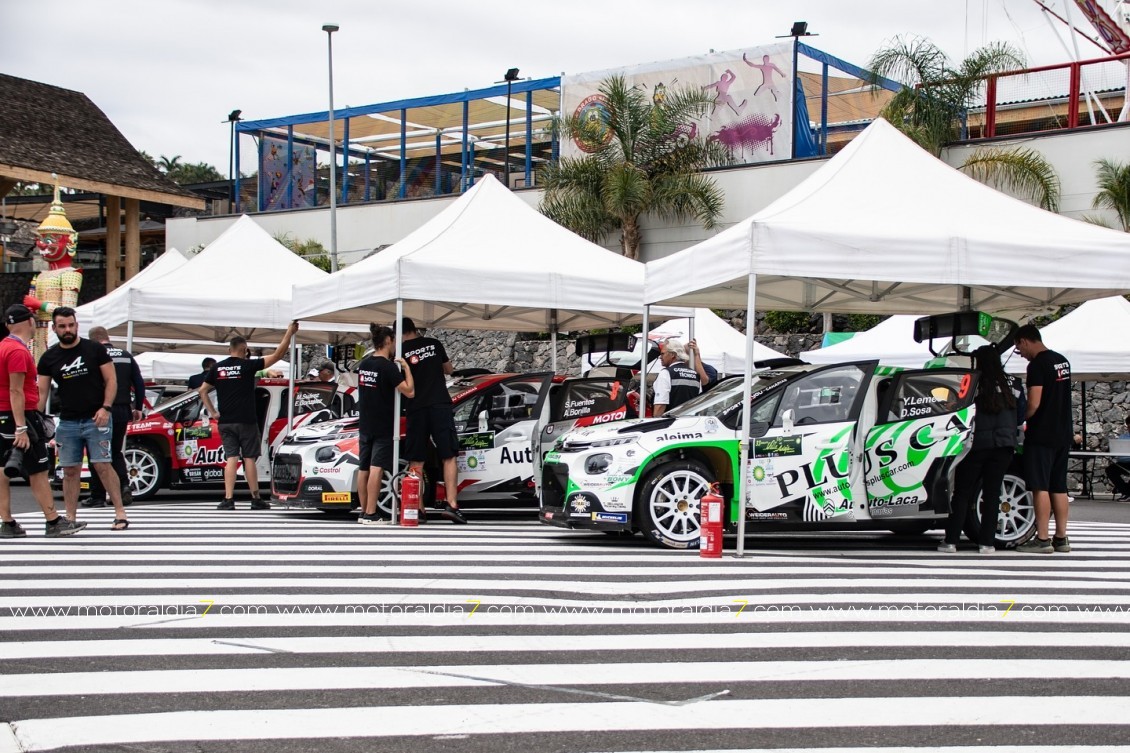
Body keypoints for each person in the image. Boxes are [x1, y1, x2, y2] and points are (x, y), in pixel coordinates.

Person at [36, 307, 128, 530]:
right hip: (67, 422)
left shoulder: (94, 349)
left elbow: (112, 381)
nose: (67, 330)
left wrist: (106, 408)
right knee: (69, 470)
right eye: (62, 326)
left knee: (103, 465)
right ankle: (70, 517)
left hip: (97, 417)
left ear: (76, 325)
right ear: (55, 328)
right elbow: (42, 392)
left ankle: (120, 512)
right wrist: (35, 420)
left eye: (71, 325)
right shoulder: (49, 357)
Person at [0, 304, 85, 538]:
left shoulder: (2, 347)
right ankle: (53, 521)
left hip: (3, 415)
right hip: (20, 415)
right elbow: (16, 391)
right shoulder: (17, 351)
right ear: (30, 322)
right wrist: (21, 427)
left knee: (2, 470)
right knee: (37, 470)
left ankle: (7, 522)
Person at [200, 322, 298, 510]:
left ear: (230, 349)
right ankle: (255, 498)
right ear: (245, 350)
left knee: (231, 458)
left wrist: (213, 412)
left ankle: (228, 499)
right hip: (246, 420)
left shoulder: (217, 369)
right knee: (249, 458)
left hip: (225, 421)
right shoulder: (248, 366)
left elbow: (203, 391)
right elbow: (278, 355)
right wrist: (289, 332)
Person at [938, 345, 1017, 554]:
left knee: (962, 492)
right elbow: (1022, 413)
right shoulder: (1014, 383)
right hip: (1004, 444)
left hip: (977, 444)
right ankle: (987, 543)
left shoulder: (971, 381)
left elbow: (957, 409)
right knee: (992, 494)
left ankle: (951, 541)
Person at [1014, 324, 1073, 553]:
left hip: (1042, 433)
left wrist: (1021, 418)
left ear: (1025, 341)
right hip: (1063, 432)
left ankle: (1042, 539)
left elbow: (1034, 403)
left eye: (1019, 348)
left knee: (1040, 486)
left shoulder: (1037, 365)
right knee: (1059, 486)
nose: (1021, 353)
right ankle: (1061, 538)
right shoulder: (1062, 361)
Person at [400, 317, 466, 523]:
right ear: (414, 329)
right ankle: (452, 504)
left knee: (416, 459)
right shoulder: (434, 343)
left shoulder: (400, 353)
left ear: (399, 334)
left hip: (415, 407)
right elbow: (449, 369)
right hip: (439, 404)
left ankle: (418, 508)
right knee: (448, 454)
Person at [356, 324, 414, 524]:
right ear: (388, 341)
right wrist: (406, 368)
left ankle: (363, 511)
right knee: (376, 468)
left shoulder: (364, 364)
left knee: (363, 468)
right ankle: (372, 513)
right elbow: (409, 391)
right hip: (383, 423)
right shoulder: (388, 367)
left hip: (365, 423)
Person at [83, 326, 144, 509]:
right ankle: (124, 486)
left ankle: (98, 495)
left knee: (97, 453)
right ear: (107, 337)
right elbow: (139, 382)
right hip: (122, 410)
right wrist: (138, 407)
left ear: (93, 340)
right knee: (116, 451)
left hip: (100, 411)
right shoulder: (126, 355)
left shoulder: (94, 355)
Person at [652, 339, 703, 416]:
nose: (660, 357)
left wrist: (655, 423)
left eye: (662, 354)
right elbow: (699, 403)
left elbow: (660, 405)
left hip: (671, 424)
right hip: (691, 423)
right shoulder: (695, 374)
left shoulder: (666, 373)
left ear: (673, 354)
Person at [1105, 415, 1130, 502]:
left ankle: (1126, 492)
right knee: (1110, 470)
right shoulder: (1123, 437)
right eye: (1129, 426)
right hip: (1122, 462)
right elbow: (1113, 450)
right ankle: (1126, 491)